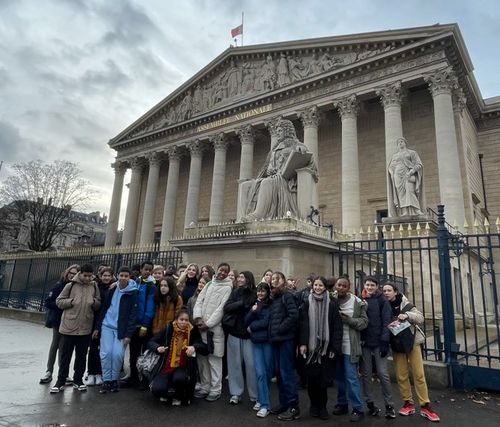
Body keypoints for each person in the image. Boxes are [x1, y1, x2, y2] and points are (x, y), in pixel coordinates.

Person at [382, 282, 440, 422]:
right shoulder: (383, 306)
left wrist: (407, 315)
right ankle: (408, 403)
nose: (386, 292)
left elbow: (420, 318)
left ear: (395, 291)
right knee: (401, 375)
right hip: (396, 344)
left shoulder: (406, 304)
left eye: (389, 290)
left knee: (418, 374)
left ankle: (425, 405)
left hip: (411, 342)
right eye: (384, 290)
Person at [244, 118, 315, 220]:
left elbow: (310, 162)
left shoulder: (296, 145)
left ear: (287, 130)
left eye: (280, 130)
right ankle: (244, 217)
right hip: (272, 178)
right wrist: (269, 171)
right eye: (277, 131)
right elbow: (266, 169)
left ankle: (259, 214)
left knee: (266, 183)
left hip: (286, 180)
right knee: (245, 186)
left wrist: (302, 150)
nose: (278, 133)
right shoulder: (273, 150)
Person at [50, 264, 101, 393]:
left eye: (90, 276)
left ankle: (78, 380)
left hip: (85, 327)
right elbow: (59, 301)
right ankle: (60, 381)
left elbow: (98, 302)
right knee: (65, 356)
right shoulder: (70, 285)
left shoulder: (94, 286)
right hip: (69, 326)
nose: (88, 278)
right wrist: (71, 302)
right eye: (86, 275)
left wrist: (94, 303)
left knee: (81, 356)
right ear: (81, 274)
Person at [298, 276, 343, 420]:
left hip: (325, 348)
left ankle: (322, 406)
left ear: (325, 287)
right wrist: (303, 343)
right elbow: (303, 325)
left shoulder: (332, 304)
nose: (317, 287)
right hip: (311, 350)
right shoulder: (306, 302)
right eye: (316, 285)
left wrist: (334, 348)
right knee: (312, 380)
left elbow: (337, 327)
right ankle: (313, 405)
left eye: (320, 285)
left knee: (323, 381)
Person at [148, 307, 208, 406]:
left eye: (186, 320)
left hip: (183, 367)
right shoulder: (168, 328)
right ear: (176, 320)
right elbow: (151, 342)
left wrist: (194, 347)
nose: (184, 322)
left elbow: (203, 347)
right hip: (167, 366)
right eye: (181, 319)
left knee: (179, 378)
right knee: (157, 389)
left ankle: (179, 395)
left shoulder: (192, 330)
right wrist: (158, 348)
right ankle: (168, 393)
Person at [193, 263, 233, 402]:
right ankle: (205, 386)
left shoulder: (228, 287)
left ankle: (215, 389)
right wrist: (198, 318)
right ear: (217, 270)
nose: (222, 273)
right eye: (221, 270)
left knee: (214, 360)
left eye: (225, 271)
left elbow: (221, 309)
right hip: (201, 327)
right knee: (203, 360)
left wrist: (208, 324)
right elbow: (199, 300)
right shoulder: (209, 283)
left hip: (214, 330)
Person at [332, 276, 368, 422]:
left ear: (348, 288)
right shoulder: (332, 299)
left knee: (351, 377)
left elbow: (364, 322)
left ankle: (358, 408)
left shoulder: (357, 302)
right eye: (338, 285)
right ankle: (342, 404)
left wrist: (349, 320)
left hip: (350, 345)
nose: (340, 288)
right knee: (339, 377)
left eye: (343, 286)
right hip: (336, 344)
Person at [97, 266, 138, 393]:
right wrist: (98, 327)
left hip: (122, 329)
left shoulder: (133, 292)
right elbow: (104, 307)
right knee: (106, 353)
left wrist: (128, 335)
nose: (123, 278)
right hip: (107, 325)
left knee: (117, 354)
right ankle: (106, 380)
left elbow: (133, 315)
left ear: (129, 277)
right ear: (117, 275)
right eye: (121, 275)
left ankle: (114, 379)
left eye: (126, 276)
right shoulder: (112, 288)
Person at [360, 277, 396, 418]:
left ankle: (389, 405)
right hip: (365, 342)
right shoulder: (360, 299)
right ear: (364, 285)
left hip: (379, 341)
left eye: (372, 285)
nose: (369, 287)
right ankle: (369, 402)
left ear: (377, 286)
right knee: (366, 374)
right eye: (367, 285)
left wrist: (384, 341)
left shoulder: (382, 300)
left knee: (383, 373)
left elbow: (386, 321)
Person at [40, 264, 80, 385]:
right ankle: (49, 371)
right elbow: (48, 302)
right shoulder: (59, 285)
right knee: (55, 345)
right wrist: (63, 306)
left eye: (75, 274)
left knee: (65, 348)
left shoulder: (76, 286)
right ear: (67, 272)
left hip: (70, 320)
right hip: (58, 319)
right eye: (70, 273)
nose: (72, 275)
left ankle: (63, 374)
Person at [268, 271, 300, 421]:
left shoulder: (287, 296)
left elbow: (293, 316)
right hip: (276, 340)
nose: (273, 281)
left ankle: (294, 406)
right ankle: (284, 403)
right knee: (279, 374)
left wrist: (280, 328)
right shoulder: (274, 298)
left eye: (276, 278)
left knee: (286, 373)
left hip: (285, 339)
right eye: (272, 278)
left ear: (283, 281)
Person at [223, 271, 257, 405]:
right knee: (234, 365)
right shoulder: (235, 292)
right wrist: (241, 304)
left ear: (248, 279)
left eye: (242, 277)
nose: (239, 279)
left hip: (249, 335)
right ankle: (236, 393)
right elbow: (227, 307)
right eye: (239, 277)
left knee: (251, 365)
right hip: (234, 333)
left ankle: (254, 395)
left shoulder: (255, 293)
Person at [122, 261, 156, 389]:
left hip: (143, 326)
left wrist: (145, 325)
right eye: (145, 269)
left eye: (150, 270)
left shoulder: (151, 286)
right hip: (133, 324)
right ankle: (133, 377)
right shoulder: (135, 282)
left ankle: (143, 379)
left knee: (144, 354)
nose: (147, 271)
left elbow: (150, 307)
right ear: (141, 269)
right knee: (133, 353)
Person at [245, 282, 273, 418]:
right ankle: (264, 405)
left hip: (267, 342)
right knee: (260, 373)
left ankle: (262, 398)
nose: (260, 293)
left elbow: (266, 321)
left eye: (263, 291)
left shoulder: (270, 305)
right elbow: (246, 321)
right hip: (256, 342)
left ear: (267, 292)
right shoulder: (255, 304)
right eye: (259, 291)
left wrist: (252, 327)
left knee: (267, 373)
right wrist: (252, 311)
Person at [86, 267, 114, 386]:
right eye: (104, 275)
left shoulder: (114, 288)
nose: (106, 278)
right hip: (95, 320)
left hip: (108, 322)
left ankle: (99, 373)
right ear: (100, 276)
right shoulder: (95, 286)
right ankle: (91, 373)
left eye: (108, 275)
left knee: (104, 350)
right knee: (93, 348)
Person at [388, 137, 424, 217]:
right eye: (398, 142)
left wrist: (412, 171)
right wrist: (391, 173)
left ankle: (417, 210)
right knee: (401, 194)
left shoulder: (412, 153)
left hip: (408, 174)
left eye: (402, 141)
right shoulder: (395, 156)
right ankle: (405, 211)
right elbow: (391, 166)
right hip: (398, 176)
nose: (400, 143)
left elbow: (419, 164)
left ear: (405, 143)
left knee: (410, 190)